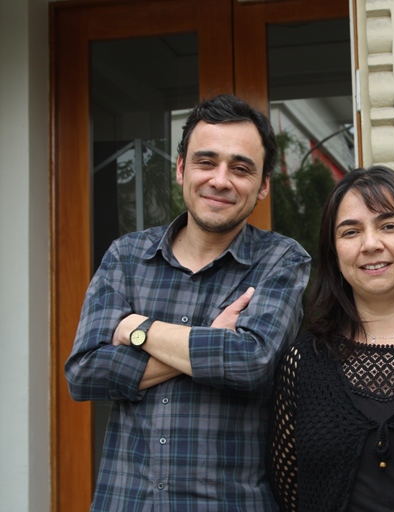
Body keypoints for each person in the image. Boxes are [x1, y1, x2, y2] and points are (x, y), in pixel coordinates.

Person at [65, 94, 311, 511]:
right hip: (127, 501)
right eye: (205, 162)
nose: (220, 179)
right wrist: (210, 344)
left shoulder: (282, 260)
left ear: (264, 185)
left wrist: (138, 330)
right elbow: (85, 372)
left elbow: (251, 362)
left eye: (241, 168)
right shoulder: (126, 256)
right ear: (181, 169)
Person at [269, 165, 394, 511]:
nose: (370, 244)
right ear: (333, 252)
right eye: (350, 232)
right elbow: (288, 490)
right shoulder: (304, 360)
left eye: (389, 226)